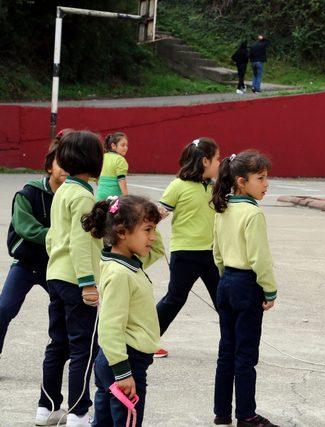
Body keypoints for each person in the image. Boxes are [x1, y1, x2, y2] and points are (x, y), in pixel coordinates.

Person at [37, 130, 104, 427]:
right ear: (93, 159)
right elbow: (80, 242)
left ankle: (47, 407)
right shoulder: (83, 195)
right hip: (78, 281)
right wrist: (88, 282)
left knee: (58, 343)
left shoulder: (63, 190)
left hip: (57, 275)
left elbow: (54, 237)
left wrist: (56, 266)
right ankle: (78, 412)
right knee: (82, 349)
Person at [81, 195, 165, 427]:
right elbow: (109, 327)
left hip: (114, 359)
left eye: (154, 229)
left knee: (105, 421)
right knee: (127, 421)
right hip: (125, 361)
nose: (153, 237)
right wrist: (123, 373)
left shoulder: (124, 262)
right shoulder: (120, 274)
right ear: (121, 232)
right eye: (147, 230)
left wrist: (156, 221)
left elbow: (156, 252)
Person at [211, 150, 278, 427]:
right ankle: (247, 415)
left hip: (226, 282)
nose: (266, 184)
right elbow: (259, 258)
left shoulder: (223, 208)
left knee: (226, 350)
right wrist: (269, 290)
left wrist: (225, 277)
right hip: (246, 284)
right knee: (246, 354)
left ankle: (222, 412)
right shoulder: (252, 213)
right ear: (241, 181)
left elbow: (216, 252)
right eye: (260, 178)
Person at [0, 139, 66, 362]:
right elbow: (27, 229)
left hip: (56, 265)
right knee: (3, 309)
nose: (66, 168)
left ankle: (83, 359)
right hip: (26, 264)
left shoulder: (73, 196)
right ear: (49, 167)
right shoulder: (28, 193)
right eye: (61, 163)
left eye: (70, 164)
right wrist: (62, 236)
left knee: (76, 311)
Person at [154, 138, 220, 358]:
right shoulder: (178, 186)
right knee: (175, 299)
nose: (219, 163)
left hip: (212, 254)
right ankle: (146, 341)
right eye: (217, 159)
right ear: (204, 162)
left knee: (223, 299)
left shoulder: (214, 187)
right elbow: (158, 214)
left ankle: (233, 342)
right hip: (185, 254)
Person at [96, 132, 129, 201]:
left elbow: (97, 177)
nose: (126, 148)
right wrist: (127, 197)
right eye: (123, 145)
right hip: (113, 196)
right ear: (113, 146)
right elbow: (121, 180)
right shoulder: (120, 160)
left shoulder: (103, 157)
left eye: (127, 145)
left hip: (100, 195)